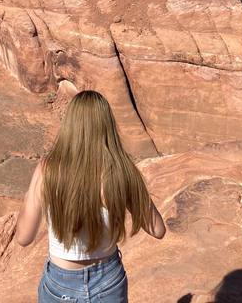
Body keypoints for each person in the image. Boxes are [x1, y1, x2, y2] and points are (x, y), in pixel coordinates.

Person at [16, 90, 166, 303]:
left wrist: (30, 197)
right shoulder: (123, 170)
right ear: (108, 126)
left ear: (70, 125)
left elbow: (24, 237)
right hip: (109, 280)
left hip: (61, 283)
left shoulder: (48, 170)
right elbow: (158, 230)